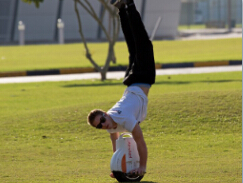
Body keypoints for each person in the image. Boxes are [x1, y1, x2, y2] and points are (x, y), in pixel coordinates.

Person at [87, 0, 156, 178]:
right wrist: (116, 166)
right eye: (99, 126)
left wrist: (142, 167)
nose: (103, 125)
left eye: (102, 119)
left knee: (142, 41)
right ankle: (121, 9)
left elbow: (139, 140)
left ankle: (129, 5)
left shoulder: (122, 118)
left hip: (142, 78)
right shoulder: (111, 126)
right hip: (132, 82)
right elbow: (116, 147)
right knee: (133, 45)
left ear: (105, 113)